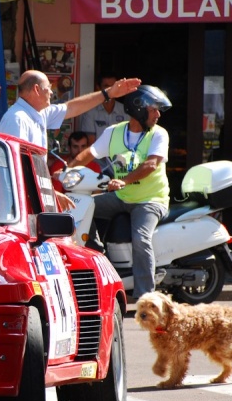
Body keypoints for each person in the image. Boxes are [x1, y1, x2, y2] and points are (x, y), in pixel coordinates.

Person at [66, 84, 172, 300]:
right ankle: (99, 253)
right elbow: (89, 153)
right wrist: (67, 170)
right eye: (154, 110)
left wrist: (123, 181)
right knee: (82, 207)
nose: (158, 115)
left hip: (151, 200)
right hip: (121, 196)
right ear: (139, 109)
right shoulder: (113, 133)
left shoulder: (159, 135)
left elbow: (151, 165)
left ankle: (145, 296)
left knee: (141, 238)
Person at [0, 70, 141, 211]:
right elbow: (18, 167)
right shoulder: (17, 119)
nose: (52, 92)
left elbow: (71, 108)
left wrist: (108, 93)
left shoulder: (39, 113)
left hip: (31, 197)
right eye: (48, 88)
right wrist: (51, 193)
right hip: (18, 202)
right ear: (36, 89)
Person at [79, 71, 129, 144]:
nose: (111, 89)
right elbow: (90, 143)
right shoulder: (90, 111)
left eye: (113, 86)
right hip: (98, 154)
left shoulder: (125, 110)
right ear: (98, 88)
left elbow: (128, 139)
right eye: (106, 86)